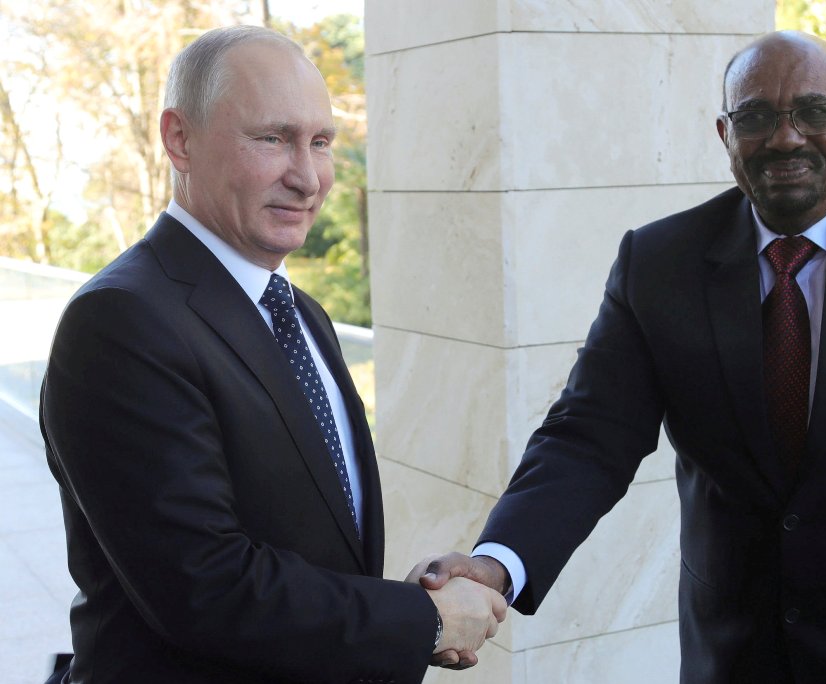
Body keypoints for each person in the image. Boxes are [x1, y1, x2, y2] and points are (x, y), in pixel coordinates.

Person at [416, 30, 826, 683]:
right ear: (724, 135)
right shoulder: (659, 266)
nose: (785, 137)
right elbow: (587, 439)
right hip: (739, 656)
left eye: (815, 112)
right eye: (756, 116)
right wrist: (497, 564)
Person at [41, 25, 505, 684]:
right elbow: (205, 587)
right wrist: (421, 620)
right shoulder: (120, 320)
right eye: (272, 139)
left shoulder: (300, 314)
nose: (308, 177)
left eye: (321, 143)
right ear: (179, 139)